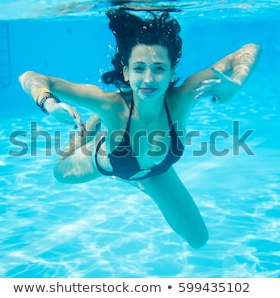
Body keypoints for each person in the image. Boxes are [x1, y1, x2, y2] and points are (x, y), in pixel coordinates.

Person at [19, 8, 261, 248]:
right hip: (109, 162)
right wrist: (49, 103)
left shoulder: (181, 99)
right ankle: (93, 124)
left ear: (171, 72)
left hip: (156, 173)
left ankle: (135, 176)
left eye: (158, 68)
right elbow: (30, 76)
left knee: (198, 239)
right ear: (125, 72)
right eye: (138, 68)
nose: (148, 79)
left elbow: (249, 50)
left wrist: (237, 82)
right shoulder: (112, 106)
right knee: (60, 174)